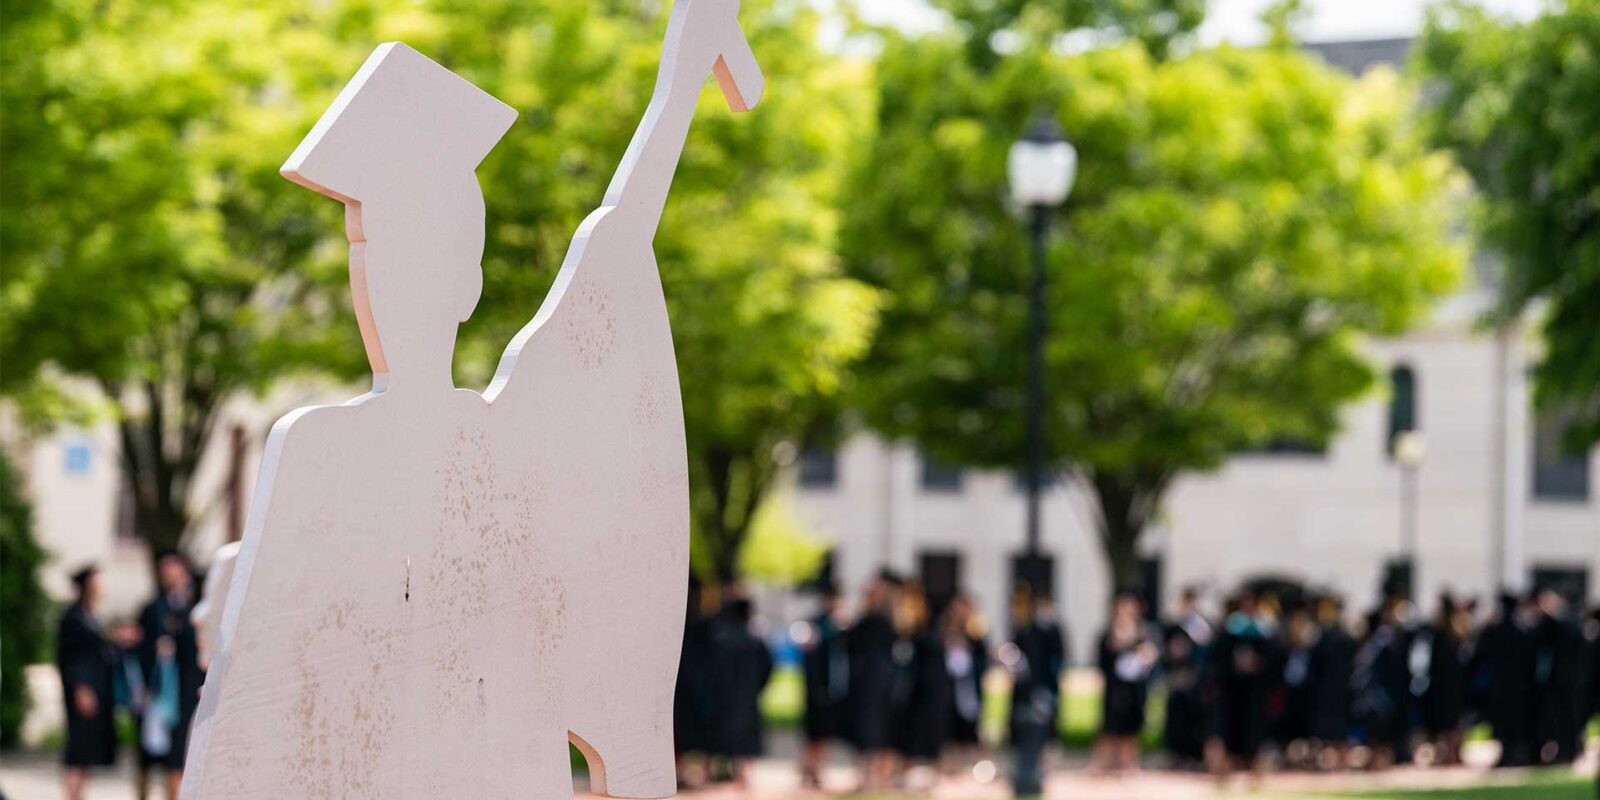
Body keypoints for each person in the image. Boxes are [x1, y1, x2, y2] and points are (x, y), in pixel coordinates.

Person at [135, 553, 204, 800]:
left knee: (184, 747)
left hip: (190, 684)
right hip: (162, 688)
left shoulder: (196, 604)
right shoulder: (154, 608)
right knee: (157, 752)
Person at [57, 565, 116, 800]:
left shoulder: (90, 616)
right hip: (83, 694)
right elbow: (70, 658)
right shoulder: (72, 618)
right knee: (77, 752)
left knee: (87, 754)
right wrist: (80, 688)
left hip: (97, 691)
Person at [707, 596, 773, 789]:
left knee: (722, 733)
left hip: (725, 694)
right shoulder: (754, 640)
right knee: (745, 736)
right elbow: (767, 666)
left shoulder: (721, 639)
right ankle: (743, 776)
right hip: (747, 694)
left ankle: (718, 771)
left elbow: (712, 670)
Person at [1211, 591, 1276, 786]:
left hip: (1255, 693)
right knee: (1228, 732)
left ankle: (1256, 775)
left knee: (1254, 734)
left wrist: (1259, 664)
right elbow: (1216, 660)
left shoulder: (1264, 631)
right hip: (1231, 691)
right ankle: (1225, 773)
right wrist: (1234, 666)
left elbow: (1275, 660)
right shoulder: (1229, 630)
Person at [1006, 591, 1064, 798]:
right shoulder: (1021, 630)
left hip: (1042, 689)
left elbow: (1056, 661)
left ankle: (1035, 779)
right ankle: (1023, 779)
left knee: (1040, 735)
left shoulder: (1048, 631)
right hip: (1023, 693)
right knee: (1023, 737)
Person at [848, 570, 902, 791]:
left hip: (873, 678)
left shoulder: (878, 619)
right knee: (874, 726)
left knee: (874, 727)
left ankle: (874, 777)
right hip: (877, 677)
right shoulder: (885, 618)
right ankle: (873, 777)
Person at [1093, 592, 1158, 775]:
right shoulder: (1108, 635)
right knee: (1110, 726)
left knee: (1132, 727)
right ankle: (1103, 763)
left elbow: (1151, 656)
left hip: (1134, 688)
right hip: (1115, 688)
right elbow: (1102, 660)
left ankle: (1129, 763)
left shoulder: (1143, 633)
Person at [891, 584, 949, 787]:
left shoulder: (931, 632)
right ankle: (905, 772)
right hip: (913, 690)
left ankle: (935, 774)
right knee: (909, 732)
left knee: (931, 732)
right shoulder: (908, 634)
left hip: (930, 689)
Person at [799, 584, 851, 788]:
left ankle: (814, 769)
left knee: (825, 733)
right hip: (818, 686)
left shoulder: (840, 626)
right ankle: (809, 769)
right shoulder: (817, 624)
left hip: (833, 687)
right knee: (815, 732)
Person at [1476, 592, 1534, 767]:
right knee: (1512, 721)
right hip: (1516, 686)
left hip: (1500, 684)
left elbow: (1482, 655)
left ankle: (1507, 753)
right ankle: (1512, 753)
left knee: (1503, 722)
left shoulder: (1494, 630)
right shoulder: (1521, 631)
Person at [1351, 601, 1408, 770]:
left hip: (1380, 694)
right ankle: (1377, 759)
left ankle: (1380, 761)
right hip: (1377, 694)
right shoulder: (1378, 642)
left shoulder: (1380, 642)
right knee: (1375, 730)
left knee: (1380, 730)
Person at [1529, 588, 1584, 764]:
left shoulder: (1559, 627)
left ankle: (1568, 749)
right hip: (1565, 681)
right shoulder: (1570, 626)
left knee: (1562, 718)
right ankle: (1568, 749)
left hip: (1562, 681)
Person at [1161, 588, 1213, 770]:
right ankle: (1178, 754)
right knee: (1176, 718)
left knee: (1195, 719)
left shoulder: (1202, 625)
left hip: (1196, 678)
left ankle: (1194, 755)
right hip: (1178, 677)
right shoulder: (1176, 625)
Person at [941, 594, 989, 776]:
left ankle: (980, 763)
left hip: (969, 686)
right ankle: (954, 764)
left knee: (973, 724)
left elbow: (981, 658)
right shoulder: (947, 630)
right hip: (951, 685)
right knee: (952, 725)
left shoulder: (975, 633)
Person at [1308, 595, 1355, 769]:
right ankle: (1332, 761)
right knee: (1327, 728)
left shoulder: (1339, 636)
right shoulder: (1324, 636)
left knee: (1338, 727)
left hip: (1339, 688)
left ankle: (1340, 761)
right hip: (1327, 689)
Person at [1422, 593, 1469, 765]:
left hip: (1445, 686)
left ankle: (1450, 754)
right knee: (1452, 723)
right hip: (1453, 686)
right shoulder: (1457, 633)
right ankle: (1453, 754)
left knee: (1447, 723)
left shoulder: (1441, 634)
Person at [1277, 605, 1320, 768]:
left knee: (1309, 728)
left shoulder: (1313, 649)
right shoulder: (1286, 647)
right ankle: (1288, 759)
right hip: (1289, 692)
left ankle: (1308, 759)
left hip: (1307, 692)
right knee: (1287, 727)